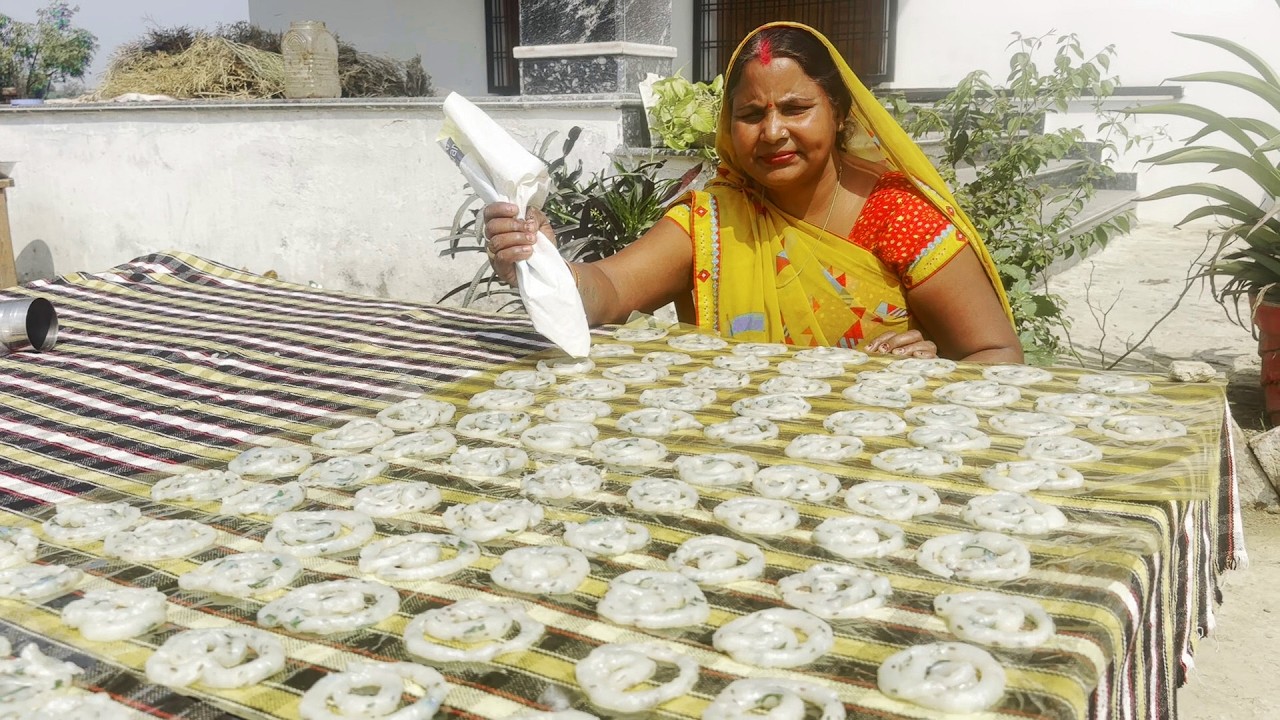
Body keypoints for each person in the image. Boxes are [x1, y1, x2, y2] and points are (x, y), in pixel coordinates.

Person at [483, 22, 1023, 363]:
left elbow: (995, 354)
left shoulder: (898, 217)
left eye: (795, 108)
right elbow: (607, 292)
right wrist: (541, 260)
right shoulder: (715, 220)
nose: (771, 133)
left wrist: (928, 376)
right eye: (749, 114)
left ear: (837, 113)